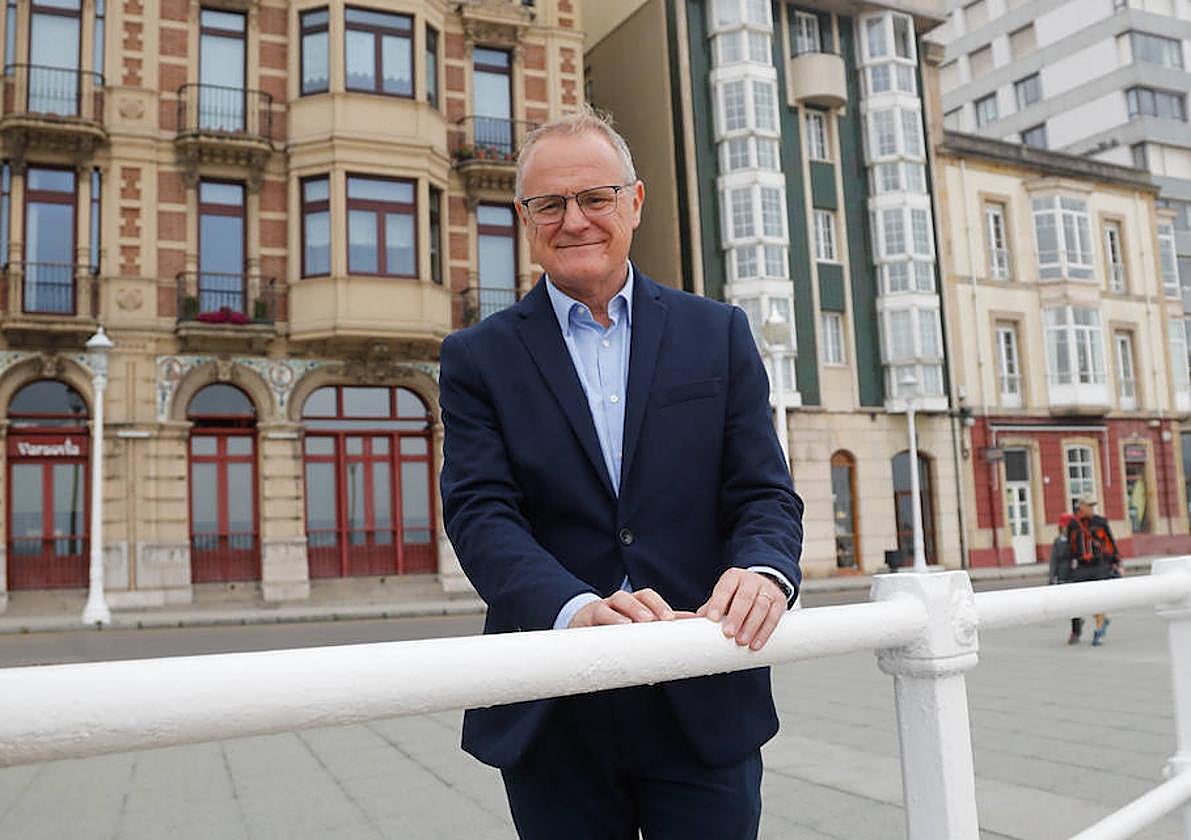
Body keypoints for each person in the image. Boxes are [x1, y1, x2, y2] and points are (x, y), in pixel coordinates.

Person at [439, 106, 804, 840]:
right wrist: (573, 609)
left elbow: (763, 493)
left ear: (633, 202)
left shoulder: (717, 334)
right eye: (550, 204)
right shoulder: (476, 358)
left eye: (595, 197)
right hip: (551, 703)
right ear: (526, 217)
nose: (574, 220)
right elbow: (480, 513)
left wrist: (765, 573)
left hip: (701, 687)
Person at [1065, 495, 1123, 646]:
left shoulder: (1100, 522)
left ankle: (1099, 631)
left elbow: (1110, 543)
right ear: (1081, 507)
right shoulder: (1072, 524)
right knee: (1075, 599)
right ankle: (1076, 629)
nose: (1091, 509)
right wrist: (1067, 567)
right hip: (1081, 566)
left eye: (1093, 506)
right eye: (1088, 506)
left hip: (1099, 565)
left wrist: (1117, 562)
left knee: (1098, 598)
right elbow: (1069, 548)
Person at [1047, 513, 1080, 643]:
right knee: (1068, 605)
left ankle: (1075, 630)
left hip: (1074, 575)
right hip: (1062, 575)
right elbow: (1053, 560)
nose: (1065, 529)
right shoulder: (1058, 541)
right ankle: (1076, 623)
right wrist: (1052, 577)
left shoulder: (1076, 540)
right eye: (1063, 527)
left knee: (1074, 604)